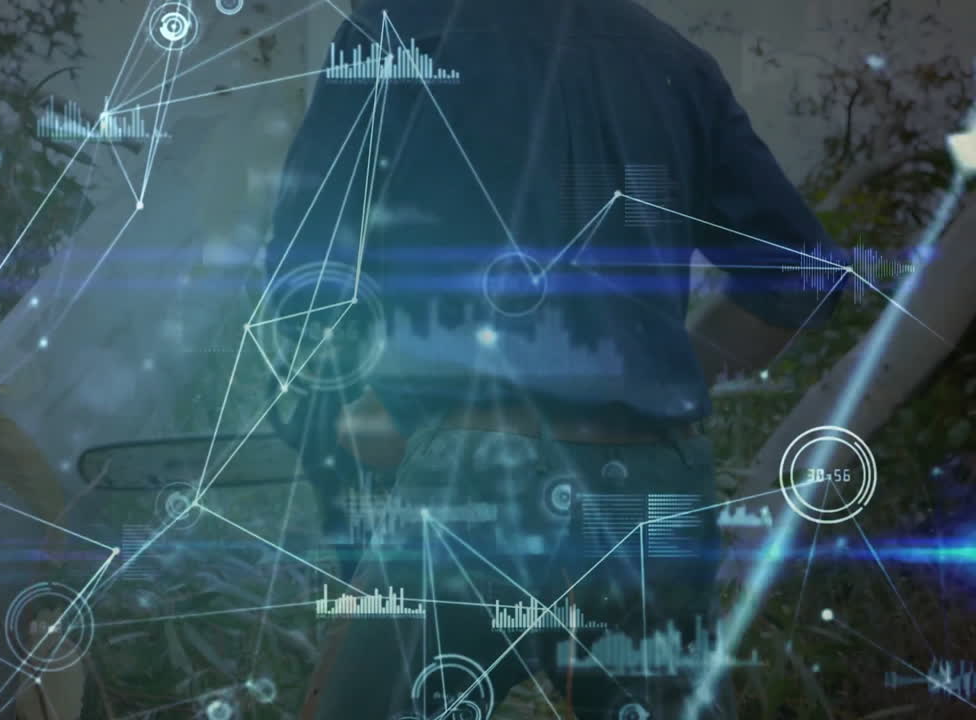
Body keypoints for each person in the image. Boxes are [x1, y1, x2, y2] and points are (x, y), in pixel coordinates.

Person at [264, 0, 844, 717]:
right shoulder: (675, 61)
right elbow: (805, 277)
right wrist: (653, 380)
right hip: (653, 489)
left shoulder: (396, 28)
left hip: (474, 477)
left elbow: (302, 271)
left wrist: (366, 403)